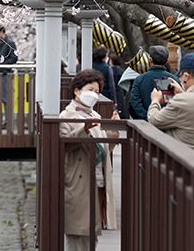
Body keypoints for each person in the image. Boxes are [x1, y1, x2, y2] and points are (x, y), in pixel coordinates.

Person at [60, 69, 118, 250]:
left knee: (91, 231)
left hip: (96, 177)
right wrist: (82, 129)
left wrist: (113, 134)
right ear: (77, 90)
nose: (93, 95)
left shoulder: (96, 116)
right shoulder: (66, 115)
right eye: (90, 89)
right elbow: (64, 144)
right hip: (78, 178)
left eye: (97, 92)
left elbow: (103, 146)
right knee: (76, 232)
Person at [146, 52, 194, 151]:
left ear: (186, 77)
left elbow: (154, 120)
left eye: (181, 76)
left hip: (187, 161)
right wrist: (182, 93)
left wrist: (155, 101)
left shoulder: (181, 101)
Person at [128, 45, 178, 119]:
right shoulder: (174, 80)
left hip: (145, 125)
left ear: (150, 60)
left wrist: (146, 117)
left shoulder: (139, 80)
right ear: (167, 61)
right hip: (168, 124)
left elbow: (135, 101)